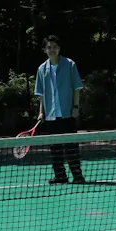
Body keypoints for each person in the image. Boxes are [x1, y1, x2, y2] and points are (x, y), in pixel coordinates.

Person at [34, 35, 85, 184]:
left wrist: (76, 107)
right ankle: (60, 176)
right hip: (50, 115)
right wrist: (41, 111)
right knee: (55, 148)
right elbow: (41, 94)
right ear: (44, 50)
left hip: (67, 114)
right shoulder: (42, 69)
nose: (52, 49)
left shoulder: (70, 64)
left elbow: (76, 88)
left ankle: (77, 175)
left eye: (55, 46)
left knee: (71, 147)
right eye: (49, 47)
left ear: (59, 48)